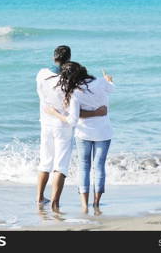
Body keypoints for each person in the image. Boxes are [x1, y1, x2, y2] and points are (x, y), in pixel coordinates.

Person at [36, 46, 107, 212]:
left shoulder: (41, 74)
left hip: (45, 122)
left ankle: (39, 198)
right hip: (63, 126)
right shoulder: (69, 82)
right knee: (60, 165)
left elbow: (41, 97)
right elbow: (74, 113)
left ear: (54, 57)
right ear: (69, 59)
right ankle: (55, 203)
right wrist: (96, 112)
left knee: (45, 161)